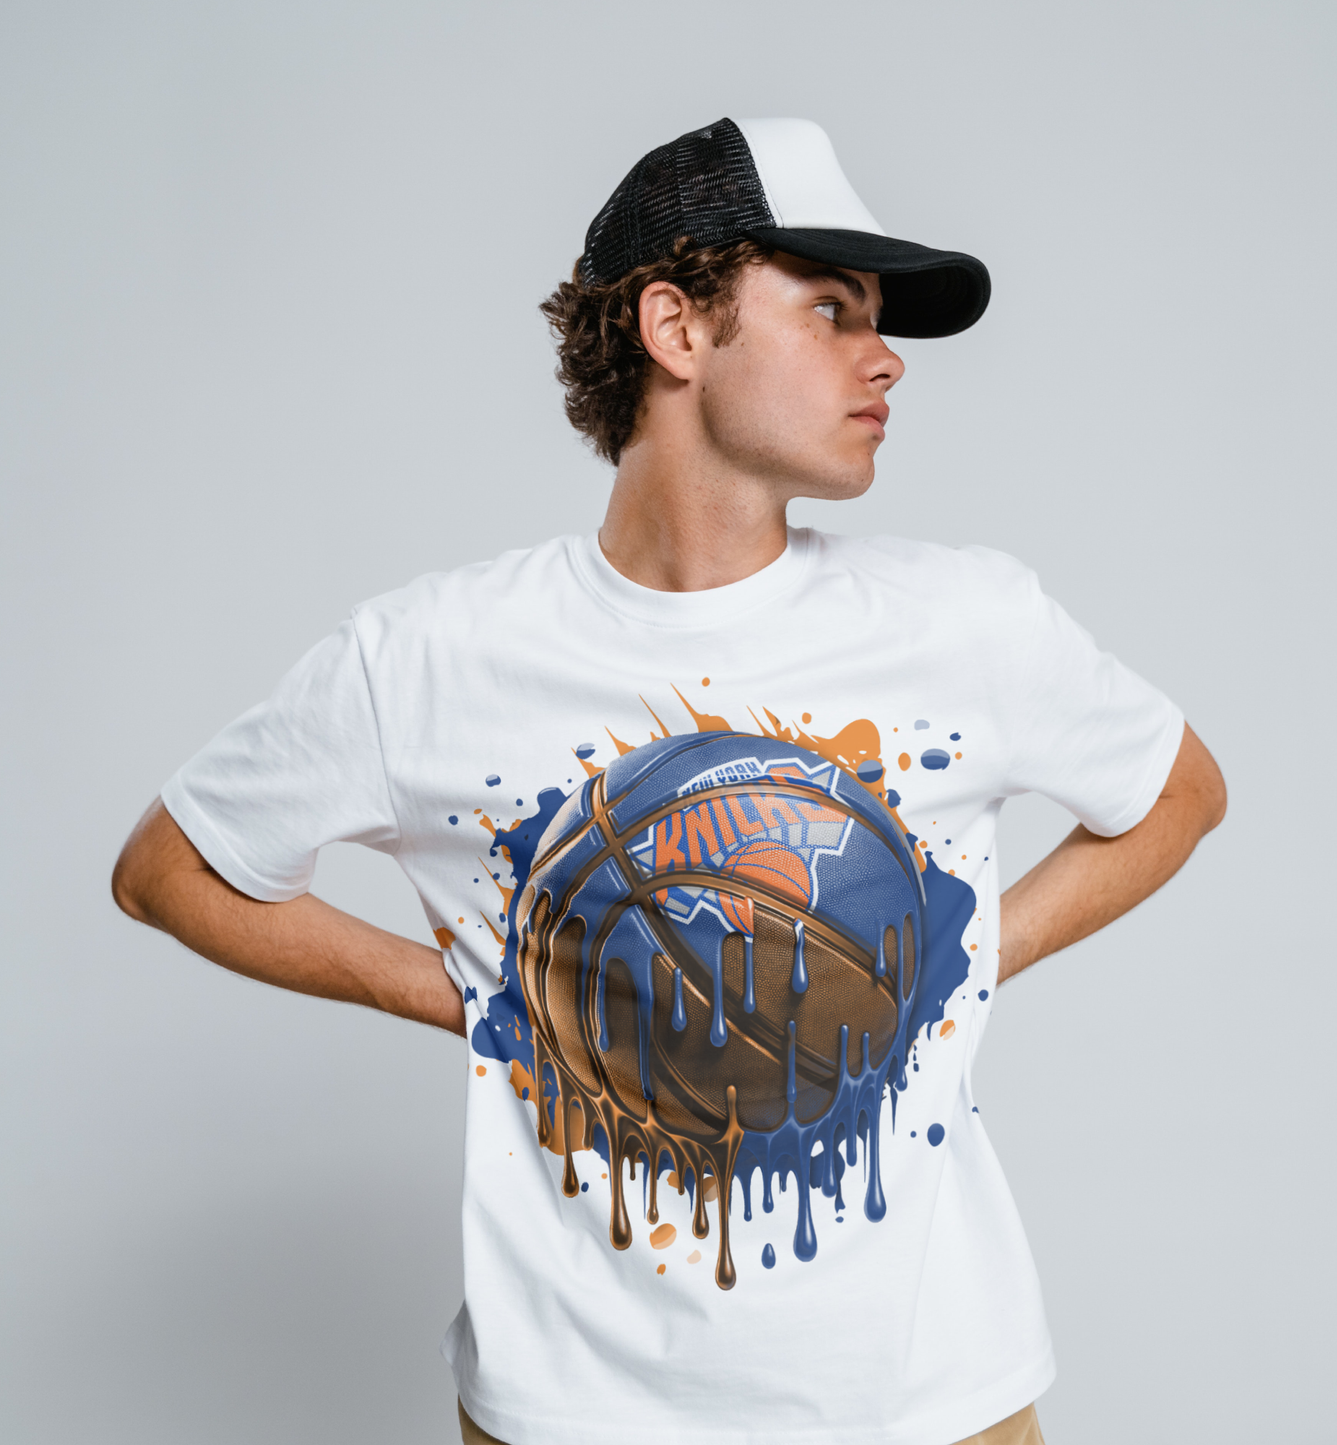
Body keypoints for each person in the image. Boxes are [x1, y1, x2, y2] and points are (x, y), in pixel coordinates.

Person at [113, 117, 1226, 1445]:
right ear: (676, 328)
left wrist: (962, 952)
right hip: (569, 1410)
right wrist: (478, 993)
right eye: (830, 310)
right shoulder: (428, 659)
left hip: (931, 1405)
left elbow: (1179, 793)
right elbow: (168, 871)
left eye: (880, 322)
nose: (885, 358)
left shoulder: (965, 623)